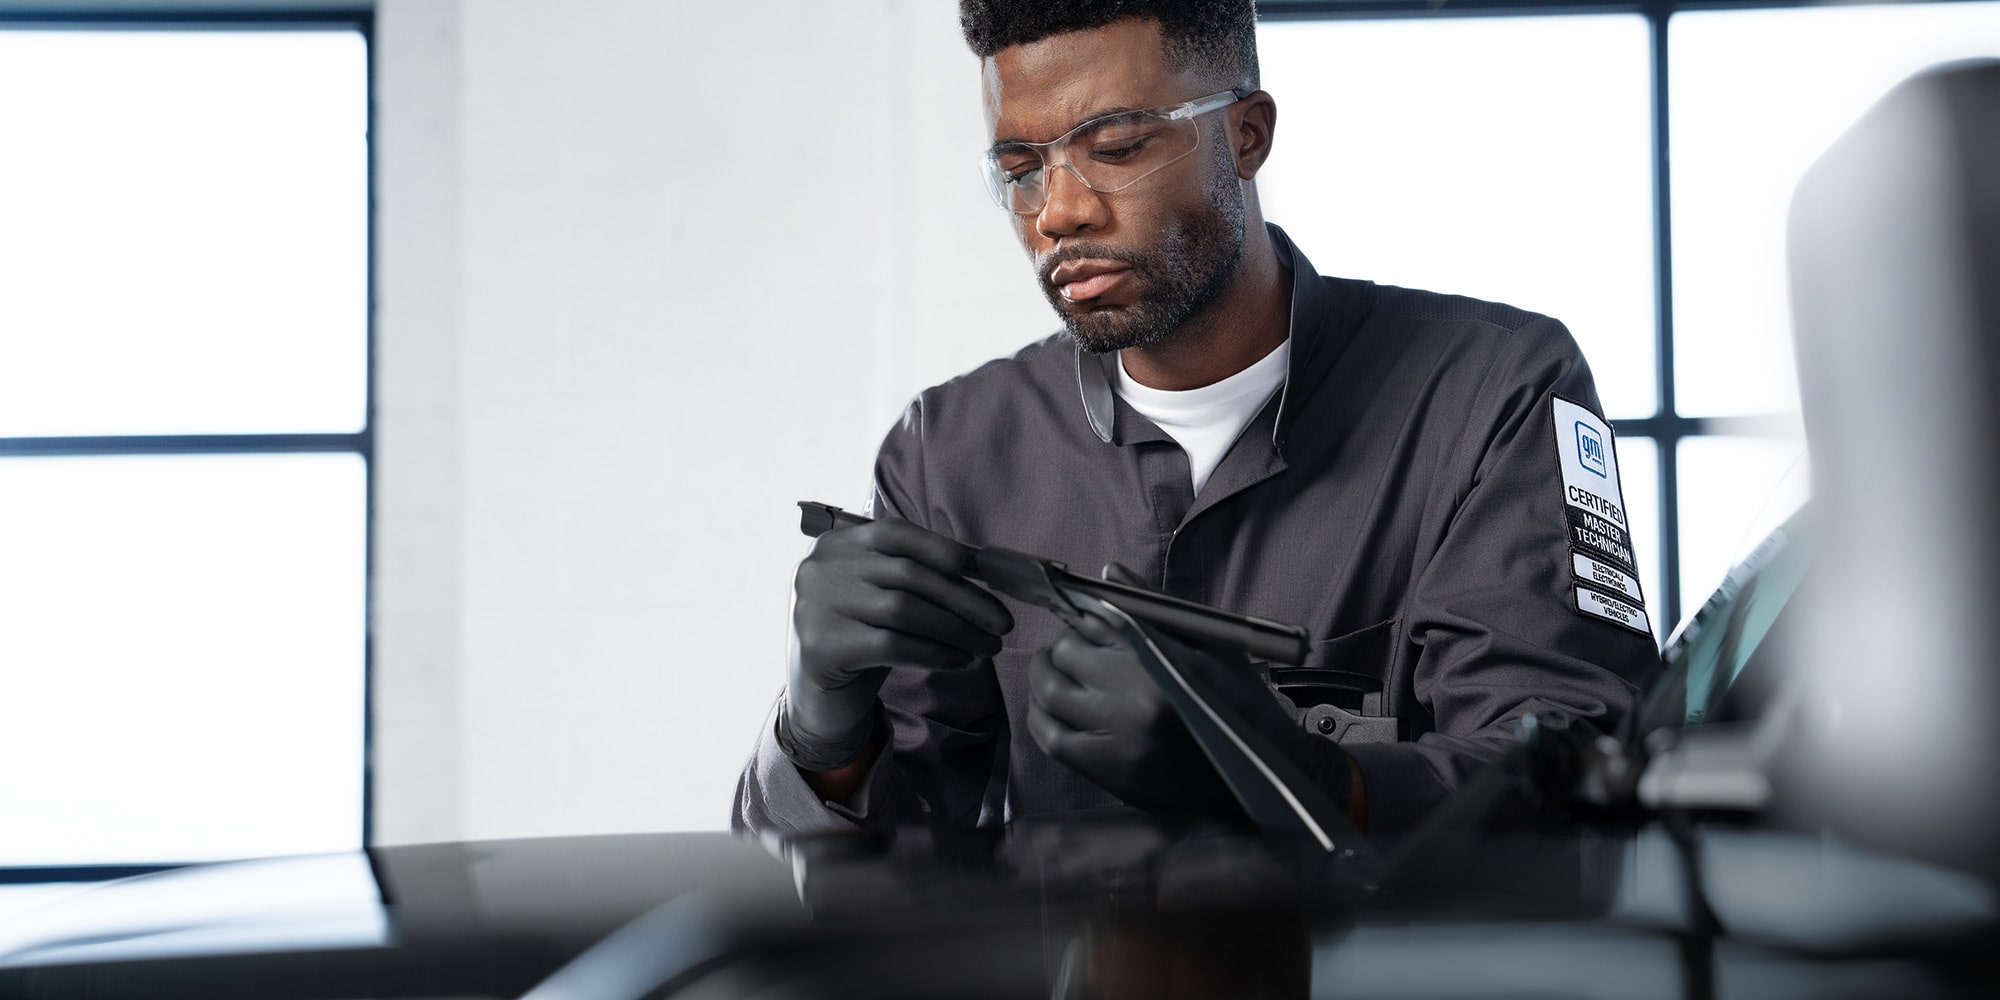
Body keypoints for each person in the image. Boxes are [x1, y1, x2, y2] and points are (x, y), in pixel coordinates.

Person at [734, 0, 1659, 839]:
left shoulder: (1494, 393)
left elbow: (1577, 779)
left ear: (1247, 135)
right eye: (1020, 170)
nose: (1057, 212)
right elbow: (867, 892)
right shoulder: (947, 456)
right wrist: (819, 730)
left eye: (1118, 146)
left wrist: (1294, 777)